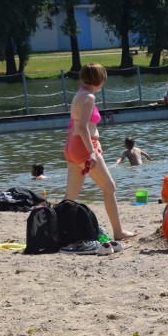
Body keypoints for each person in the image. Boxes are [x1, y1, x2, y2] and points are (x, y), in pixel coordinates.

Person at [64, 63, 136, 241]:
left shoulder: (79, 94)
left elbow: (79, 125)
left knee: (71, 195)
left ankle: (60, 230)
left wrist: (96, 142)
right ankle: (118, 231)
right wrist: (91, 151)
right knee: (109, 187)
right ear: (99, 80)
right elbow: (82, 127)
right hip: (83, 147)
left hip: (72, 145)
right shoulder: (89, 97)